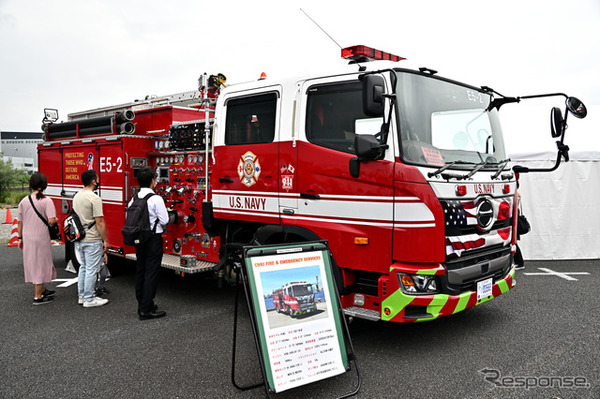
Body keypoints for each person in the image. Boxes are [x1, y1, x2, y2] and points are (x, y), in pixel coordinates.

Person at [131, 166, 168, 320]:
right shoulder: (156, 199)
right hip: (153, 239)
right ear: (153, 181)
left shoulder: (134, 197)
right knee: (151, 273)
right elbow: (165, 220)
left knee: (141, 270)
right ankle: (146, 309)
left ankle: (142, 304)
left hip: (139, 238)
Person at [17, 172, 58, 305]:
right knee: (41, 264)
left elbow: (20, 222)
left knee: (33, 263)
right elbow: (51, 220)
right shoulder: (47, 201)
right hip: (40, 237)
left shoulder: (24, 201)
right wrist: (56, 219)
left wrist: (19, 238)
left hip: (28, 236)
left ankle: (43, 290)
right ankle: (38, 296)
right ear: (45, 185)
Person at [73, 169, 109, 307]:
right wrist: (105, 239)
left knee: (83, 267)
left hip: (79, 237)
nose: (98, 181)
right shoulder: (94, 198)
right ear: (93, 181)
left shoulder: (77, 196)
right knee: (91, 269)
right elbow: (99, 222)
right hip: (92, 238)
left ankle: (82, 296)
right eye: (97, 179)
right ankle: (89, 298)